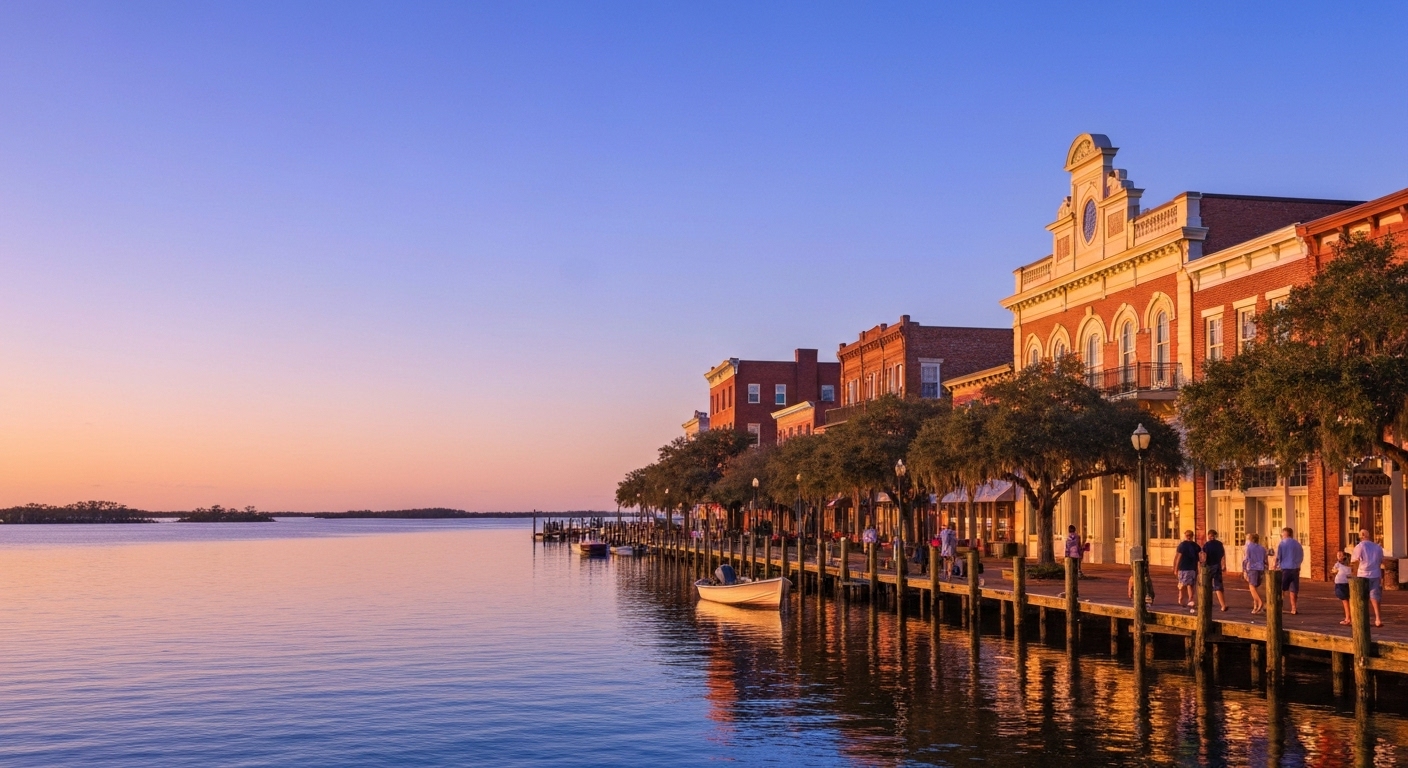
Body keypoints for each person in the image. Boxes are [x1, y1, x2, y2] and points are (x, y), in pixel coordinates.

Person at [1351, 528, 1385, 628]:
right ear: (1368, 535)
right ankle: (1378, 618)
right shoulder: (1377, 547)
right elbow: (1381, 561)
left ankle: (1361, 619)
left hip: (1363, 574)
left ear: (1361, 536)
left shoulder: (1359, 546)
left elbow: (1355, 561)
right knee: (1375, 597)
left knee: (1361, 598)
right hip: (1375, 574)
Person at [1274, 528, 1304, 615]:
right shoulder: (1298, 544)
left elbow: (1278, 556)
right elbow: (1301, 556)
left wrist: (1275, 566)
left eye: (1282, 535)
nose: (1281, 536)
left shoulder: (1282, 544)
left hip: (1285, 569)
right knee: (1293, 589)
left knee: (1281, 588)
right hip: (1295, 568)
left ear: (1285, 534)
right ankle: (1294, 608)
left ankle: (1279, 606)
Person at [1201, 530, 1228, 612]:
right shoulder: (1219, 544)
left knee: (1206, 585)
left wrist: (1202, 565)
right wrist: (1224, 565)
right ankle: (1223, 605)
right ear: (1215, 536)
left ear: (1209, 535)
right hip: (1217, 566)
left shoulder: (1206, 545)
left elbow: (1204, 557)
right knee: (1218, 585)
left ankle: (1207, 603)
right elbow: (1223, 555)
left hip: (1209, 566)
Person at [1174, 530, 1201, 608]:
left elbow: (1177, 557)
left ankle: (1187, 599)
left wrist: (1175, 568)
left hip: (1187, 568)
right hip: (1187, 568)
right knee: (1188, 584)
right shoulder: (1195, 546)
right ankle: (1187, 599)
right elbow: (1199, 558)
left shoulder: (1183, 545)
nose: (1189, 536)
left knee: (1188, 584)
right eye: (1188, 535)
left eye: (1189, 535)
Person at [1242, 532, 1267, 614]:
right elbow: (1265, 560)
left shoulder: (1248, 548)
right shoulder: (1262, 548)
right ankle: (1255, 606)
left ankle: (1260, 602)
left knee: (1252, 587)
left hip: (1252, 568)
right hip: (1260, 568)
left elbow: (1246, 560)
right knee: (1256, 588)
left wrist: (1244, 570)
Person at [1333, 552, 1353, 626]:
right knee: (1348, 601)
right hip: (1347, 583)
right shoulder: (1349, 567)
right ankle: (1349, 617)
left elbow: (1333, 570)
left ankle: (1348, 619)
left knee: (1345, 602)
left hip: (1340, 584)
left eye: (1340, 555)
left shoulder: (1338, 564)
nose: (1339, 557)